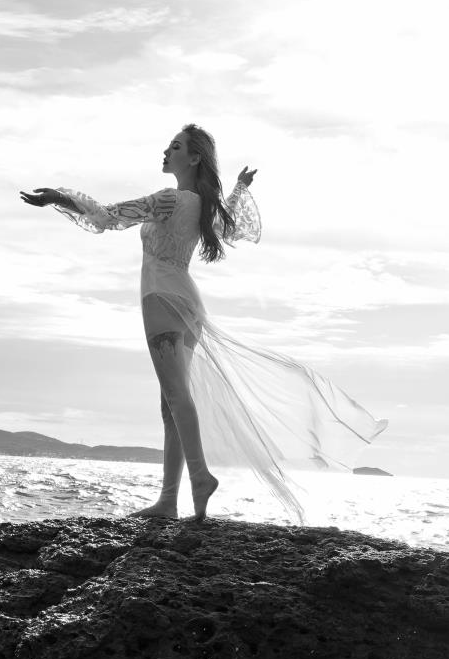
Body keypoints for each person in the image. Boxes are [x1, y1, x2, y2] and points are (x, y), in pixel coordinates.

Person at [21, 124, 385, 522]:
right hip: (189, 304)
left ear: (193, 158)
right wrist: (241, 187)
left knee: (176, 397)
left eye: (175, 146)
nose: (166, 151)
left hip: (161, 298)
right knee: (171, 404)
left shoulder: (168, 199)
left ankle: (199, 477)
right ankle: (168, 501)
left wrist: (59, 197)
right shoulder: (203, 206)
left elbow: (107, 217)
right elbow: (229, 222)